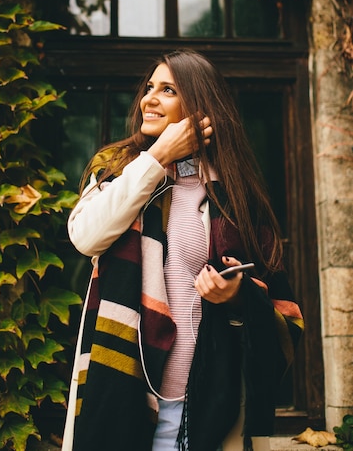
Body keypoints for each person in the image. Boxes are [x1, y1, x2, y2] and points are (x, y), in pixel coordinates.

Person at [61, 50, 304, 451]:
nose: (148, 99)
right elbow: (87, 236)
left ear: (201, 107)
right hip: (123, 394)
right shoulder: (118, 167)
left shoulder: (234, 193)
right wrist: (158, 157)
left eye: (168, 90)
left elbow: (281, 309)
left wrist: (238, 298)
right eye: (149, 88)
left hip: (207, 406)